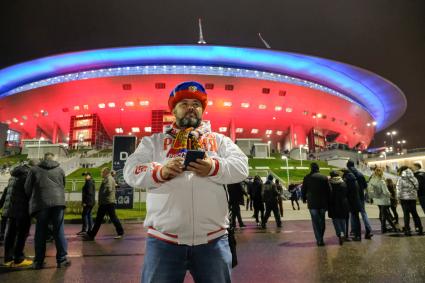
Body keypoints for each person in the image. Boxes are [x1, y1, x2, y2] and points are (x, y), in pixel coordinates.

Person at [123, 81, 249, 283]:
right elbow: (130, 171)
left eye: (196, 104)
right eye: (184, 103)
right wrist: (160, 170)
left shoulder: (220, 140)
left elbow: (242, 167)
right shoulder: (153, 141)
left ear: (203, 110)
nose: (191, 107)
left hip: (213, 241)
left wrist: (214, 167)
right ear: (173, 110)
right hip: (163, 242)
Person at [25, 153, 70, 269]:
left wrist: (33, 198)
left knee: (40, 232)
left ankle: (38, 262)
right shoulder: (60, 169)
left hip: (41, 203)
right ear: (54, 159)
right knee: (59, 230)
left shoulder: (34, 170)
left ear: (43, 159)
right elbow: (63, 185)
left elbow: (27, 188)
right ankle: (62, 260)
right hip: (58, 203)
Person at [2, 161, 34, 267]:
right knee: (22, 234)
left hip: (11, 210)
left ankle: (8, 258)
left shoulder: (14, 175)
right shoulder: (27, 175)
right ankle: (18, 258)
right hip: (22, 210)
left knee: (10, 234)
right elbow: (28, 192)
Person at [84, 167, 124, 240]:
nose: (101, 173)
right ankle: (91, 235)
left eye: (102, 172)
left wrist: (103, 194)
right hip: (107, 202)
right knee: (107, 218)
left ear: (105, 172)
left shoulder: (108, 179)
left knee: (102, 219)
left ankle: (91, 235)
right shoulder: (108, 178)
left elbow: (109, 189)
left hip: (107, 202)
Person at [302, 163, 331, 246]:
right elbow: (329, 190)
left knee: (315, 222)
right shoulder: (324, 177)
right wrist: (328, 201)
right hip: (323, 203)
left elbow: (303, 189)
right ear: (318, 168)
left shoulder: (307, 177)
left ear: (311, 168)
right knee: (322, 221)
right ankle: (321, 237)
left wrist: (304, 198)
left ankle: (319, 239)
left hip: (312, 203)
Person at [347, 160, 373, 239]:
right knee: (363, 213)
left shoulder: (348, 175)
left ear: (347, 166)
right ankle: (369, 229)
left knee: (353, 214)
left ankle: (353, 230)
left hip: (352, 197)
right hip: (360, 196)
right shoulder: (360, 174)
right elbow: (365, 186)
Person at [368, 168, 397, 233]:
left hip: (377, 199)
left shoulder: (372, 180)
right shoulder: (381, 181)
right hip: (383, 200)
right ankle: (385, 229)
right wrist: (391, 195)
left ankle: (387, 228)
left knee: (383, 214)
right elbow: (385, 192)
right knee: (385, 214)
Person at [396, 166, 423, 236]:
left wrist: (398, 197)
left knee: (406, 214)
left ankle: (407, 230)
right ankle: (420, 229)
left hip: (404, 199)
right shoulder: (414, 178)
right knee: (415, 213)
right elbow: (417, 187)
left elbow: (398, 189)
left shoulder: (401, 179)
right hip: (413, 198)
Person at [328, 170, 349, 245]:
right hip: (343, 204)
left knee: (335, 220)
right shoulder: (343, 183)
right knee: (342, 219)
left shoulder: (330, 184)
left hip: (333, 204)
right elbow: (347, 193)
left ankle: (339, 234)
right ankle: (343, 233)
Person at [341, 168, 362, 241]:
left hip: (351, 203)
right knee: (356, 219)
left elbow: (346, 192)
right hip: (356, 202)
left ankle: (354, 235)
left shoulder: (347, 180)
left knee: (353, 219)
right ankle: (358, 235)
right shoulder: (354, 180)